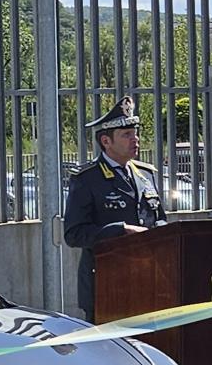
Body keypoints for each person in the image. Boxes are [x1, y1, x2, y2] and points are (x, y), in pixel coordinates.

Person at [62, 97, 168, 320]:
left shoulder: (146, 175)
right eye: (126, 135)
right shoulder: (87, 179)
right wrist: (120, 231)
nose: (135, 139)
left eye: (135, 133)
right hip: (107, 286)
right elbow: (74, 234)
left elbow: (158, 220)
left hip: (148, 283)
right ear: (106, 141)